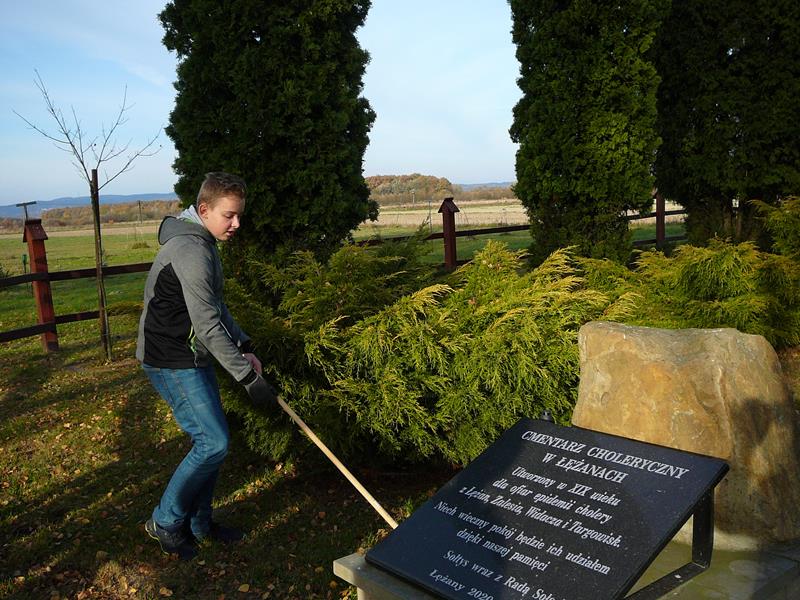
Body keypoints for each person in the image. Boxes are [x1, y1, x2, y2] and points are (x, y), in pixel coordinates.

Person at [136, 171, 278, 560]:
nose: (237, 224)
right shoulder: (191, 250)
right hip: (169, 358)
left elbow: (215, 306)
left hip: (190, 354)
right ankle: (165, 522)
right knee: (213, 442)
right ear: (204, 210)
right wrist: (248, 378)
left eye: (239, 215)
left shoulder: (204, 243)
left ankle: (200, 524)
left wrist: (244, 343)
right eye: (229, 215)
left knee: (211, 442)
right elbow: (208, 326)